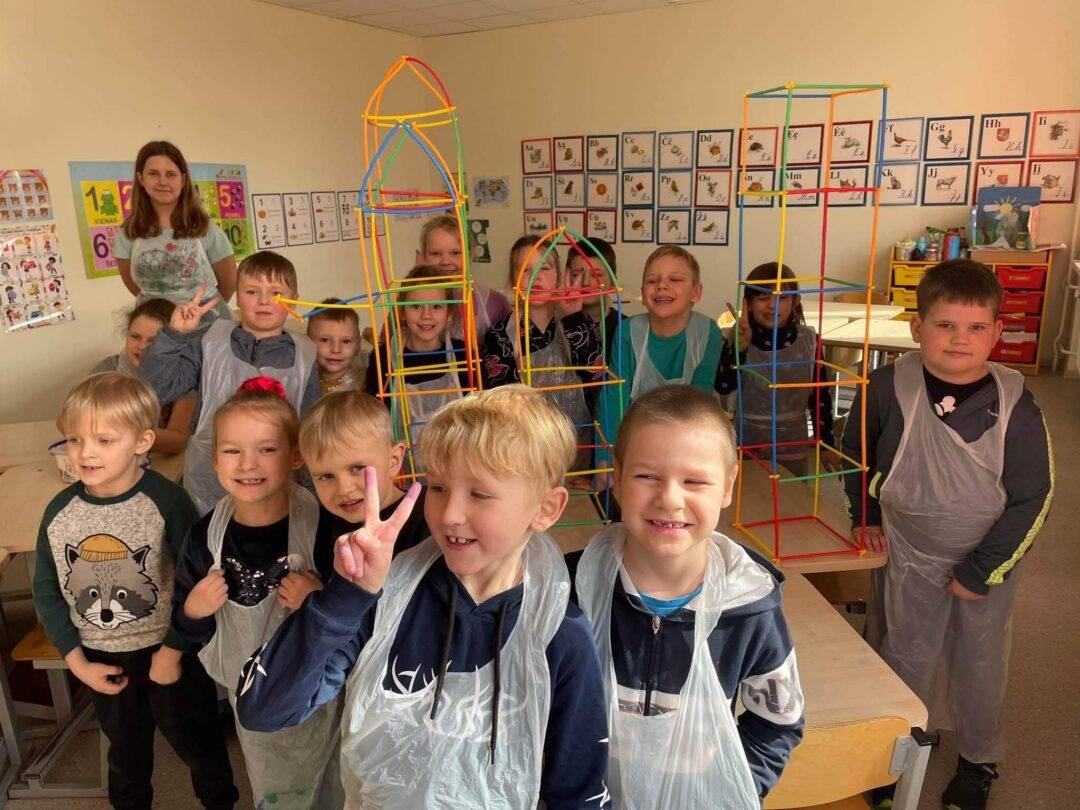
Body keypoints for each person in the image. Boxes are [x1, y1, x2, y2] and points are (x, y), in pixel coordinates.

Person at [235, 386, 609, 807]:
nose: (449, 515)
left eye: (480, 494)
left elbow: (578, 792)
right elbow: (264, 708)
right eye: (438, 487)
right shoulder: (388, 602)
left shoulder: (558, 635)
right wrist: (346, 596)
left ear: (545, 508)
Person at [842, 260, 1054, 810]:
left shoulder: (1015, 402)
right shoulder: (886, 386)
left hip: (986, 558)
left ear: (996, 332)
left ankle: (978, 761)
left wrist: (982, 571)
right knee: (902, 652)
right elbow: (853, 455)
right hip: (904, 550)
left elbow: (1034, 497)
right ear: (918, 328)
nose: (960, 339)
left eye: (976, 327)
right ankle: (901, 748)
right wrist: (864, 515)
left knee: (978, 662)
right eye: (945, 325)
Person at [570, 384, 803, 807]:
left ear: (728, 486)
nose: (669, 499)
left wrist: (731, 790)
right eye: (647, 477)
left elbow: (777, 725)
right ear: (617, 477)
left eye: (694, 481)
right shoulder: (570, 591)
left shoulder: (749, 609)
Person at [33, 372, 237, 809]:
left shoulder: (168, 502)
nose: (85, 452)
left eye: (104, 440)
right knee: (126, 757)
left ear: (143, 442)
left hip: (171, 652)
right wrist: (78, 663)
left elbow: (197, 583)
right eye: (75, 439)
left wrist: (174, 650)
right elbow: (47, 591)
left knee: (200, 746)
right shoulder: (58, 512)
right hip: (102, 659)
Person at [171, 378, 340, 807]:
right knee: (274, 785)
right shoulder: (205, 538)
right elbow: (184, 625)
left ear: (295, 456)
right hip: (250, 696)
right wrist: (194, 609)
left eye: (266, 449)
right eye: (232, 451)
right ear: (214, 459)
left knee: (332, 780)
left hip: (322, 691)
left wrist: (320, 601)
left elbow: (360, 615)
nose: (248, 464)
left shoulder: (325, 526)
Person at [139, 251, 320, 514]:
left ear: (294, 299)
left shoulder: (305, 356)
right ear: (237, 296)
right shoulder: (209, 342)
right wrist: (175, 334)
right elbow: (156, 389)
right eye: (252, 291)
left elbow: (312, 435)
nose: (264, 301)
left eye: (276, 293)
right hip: (207, 482)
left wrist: (312, 496)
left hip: (277, 488)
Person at [714, 262, 837, 476]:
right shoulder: (738, 337)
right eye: (763, 298)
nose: (772, 305)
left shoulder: (809, 341)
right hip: (747, 442)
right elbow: (724, 387)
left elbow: (820, 396)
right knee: (751, 493)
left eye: (782, 298)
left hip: (792, 443)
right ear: (748, 303)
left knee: (792, 494)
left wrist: (826, 444)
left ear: (795, 301)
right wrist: (739, 349)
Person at [599, 245, 722, 458]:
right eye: (652, 281)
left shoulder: (708, 332)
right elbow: (613, 402)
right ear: (643, 292)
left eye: (675, 279)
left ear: (696, 292)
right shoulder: (627, 332)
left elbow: (700, 402)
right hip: (635, 442)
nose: (662, 286)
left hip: (686, 443)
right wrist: (607, 461)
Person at [300, 389, 431, 580]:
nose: (344, 489)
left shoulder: (428, 516)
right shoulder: (323, 528)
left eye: (357, 468)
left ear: (393, 461)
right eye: (326, 476)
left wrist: (316, 595)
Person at [483, 235, 601, 437]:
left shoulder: (580, 323)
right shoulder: (499, 336)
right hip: (524, 444)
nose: (535, 276)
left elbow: (596, 381)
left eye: (544, 268)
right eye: (525, 269)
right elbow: (500, 404)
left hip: (578, 443)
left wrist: (573, 319)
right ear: (513, 280)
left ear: (559, 277)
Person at [115, 141, 236, 323]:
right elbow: (135, 286)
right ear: (141, 179)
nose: (163, 182)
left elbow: (229, 282)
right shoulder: (128, 233)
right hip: (156, 323)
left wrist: (200, 312)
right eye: (153, 174)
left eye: (171, 174)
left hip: (206, 322)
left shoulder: (206, 228)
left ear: (183, 180)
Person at [365, 265, 472, 471]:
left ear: (449, 313)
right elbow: (374, 420)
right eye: (415, 306)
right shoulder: (384, 357)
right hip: (401, 471)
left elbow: (476, 419)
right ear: (402, 312)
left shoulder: (463, 355)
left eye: (436, 307)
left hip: (457, 468)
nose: (426, 316)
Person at [91, 297, 195, 455]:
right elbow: (73, 419)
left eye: (154, 341)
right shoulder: (106, 370)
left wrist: (122, 434)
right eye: (135, 337)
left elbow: (177, 441)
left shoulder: (182, 377)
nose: (141, 346)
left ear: (169, 345)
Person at [416, 214, 510, 340]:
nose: (445, 261)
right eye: (436, 253)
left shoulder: (496, 302)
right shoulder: (410, 303)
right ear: (424, 257)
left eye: (455, 253)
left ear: (470, 254)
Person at [307, 297, 366, 395]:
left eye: (346, 341)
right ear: (307, 342)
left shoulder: (366, 385)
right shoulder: (301, 380)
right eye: (325, 340)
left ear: (358, 346)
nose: (336, 349)